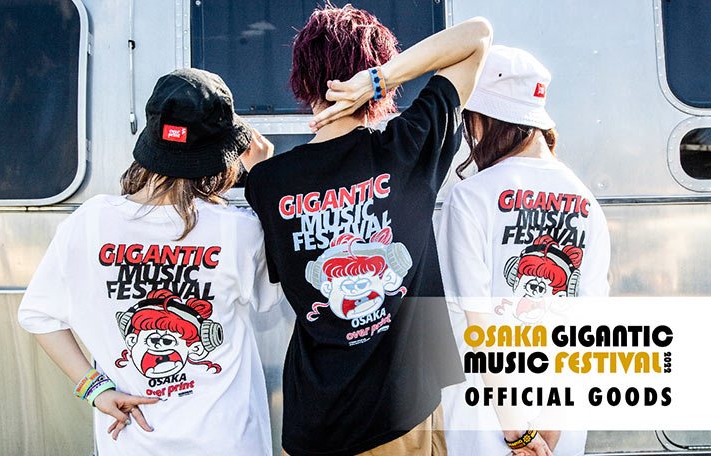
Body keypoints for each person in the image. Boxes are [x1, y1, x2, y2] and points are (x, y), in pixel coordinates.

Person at [244, 5, 492, 455]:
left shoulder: (267, 182)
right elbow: (477, 36)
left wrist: (264, 172)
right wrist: (380, 78)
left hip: (312, 424)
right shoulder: (407, 147)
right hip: (398, 416)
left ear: (302, 78)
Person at [18, 68, 283, 455]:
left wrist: (96, 389)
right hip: (227, 439)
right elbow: (269, 298)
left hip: (132, 443)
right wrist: (262, 177)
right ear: (219, 156)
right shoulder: (239, 230)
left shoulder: (89, 223)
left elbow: (38, 316)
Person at [436, 45, 611, 455]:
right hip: (558, 427)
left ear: (487, 119)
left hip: (487, 423)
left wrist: (518, 433)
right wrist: (551, 424)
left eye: (473, 122)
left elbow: (477, 324)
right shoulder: (587, 203)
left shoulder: (470, 198)